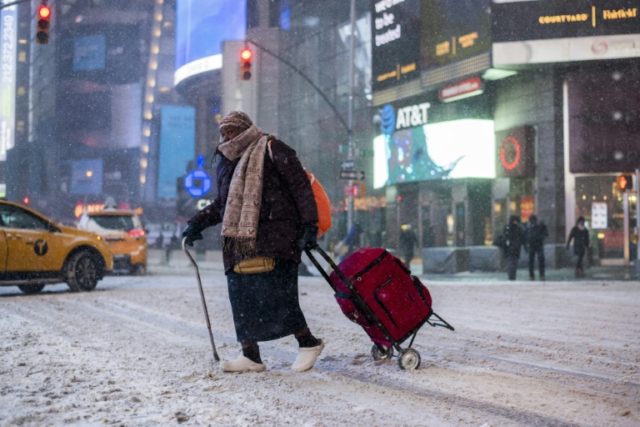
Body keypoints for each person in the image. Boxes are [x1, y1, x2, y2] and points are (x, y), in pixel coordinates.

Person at [182, 111, 324, 373]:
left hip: (276, 237)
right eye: (224, 132)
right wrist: (197, 222)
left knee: (278, 295)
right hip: (239, 240)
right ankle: (250, 355)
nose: (228, 136)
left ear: (245, 129)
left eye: (233, 131)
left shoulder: (271, 148)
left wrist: (309, 226)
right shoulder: (226, 160)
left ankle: (308, 342)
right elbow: (224, 204)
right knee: (241, 296)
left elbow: (300, 188)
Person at [525, 215, 548, 281]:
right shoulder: (529, 227)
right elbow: (525, 235)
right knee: (534, 260)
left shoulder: (539, 226)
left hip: (537, 244)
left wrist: (540, 237)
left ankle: (535, 275)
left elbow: (545, 233)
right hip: (535, 245)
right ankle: (537, 275)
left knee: (535, 260)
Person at [502, 215, 525, 281]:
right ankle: (512, 275)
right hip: (515, 248)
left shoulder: (508, 228)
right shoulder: (517, 228)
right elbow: (522, 237)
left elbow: (505, 237)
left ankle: (511, 275)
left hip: (511, 248)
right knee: (513, 262)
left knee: (511, 262)